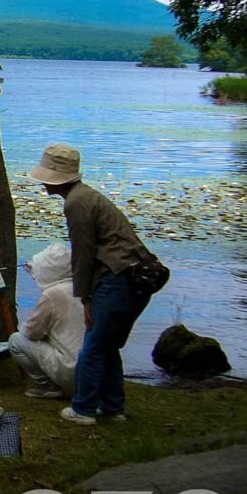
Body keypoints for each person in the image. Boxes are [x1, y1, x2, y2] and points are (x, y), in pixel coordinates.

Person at [29, 144, 154, 425]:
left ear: (56, 177)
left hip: (120, 276)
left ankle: (84, 409)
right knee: (107, 344)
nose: (44, 184)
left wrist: (84, 297)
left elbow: (83, 254)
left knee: (94, 345)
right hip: (134, 276)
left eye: (46, 177)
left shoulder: (76, 202)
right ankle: (112, 407)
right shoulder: (86, 196)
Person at [8, 242, 85, 400]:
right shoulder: (83, 287)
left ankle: (48, 385)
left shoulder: (52, 295)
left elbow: (31, 332)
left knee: (16, 340)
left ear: (48, 271)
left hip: (71, 373)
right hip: (94, 373)